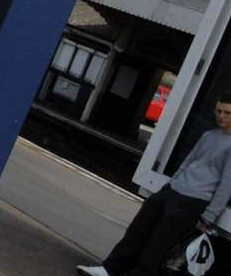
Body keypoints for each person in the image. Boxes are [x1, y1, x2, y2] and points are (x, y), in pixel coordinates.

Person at [81, 95, 231, 276]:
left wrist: (209, 216)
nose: (221, 116)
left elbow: (227, 184)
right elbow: (187, 162)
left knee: (158, 245)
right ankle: (110, 269)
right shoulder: (208, 135)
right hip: (172, 190)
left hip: (193, 200)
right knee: (137, 231)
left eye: (227, 112)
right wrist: (171, 183)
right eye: (219, 111)